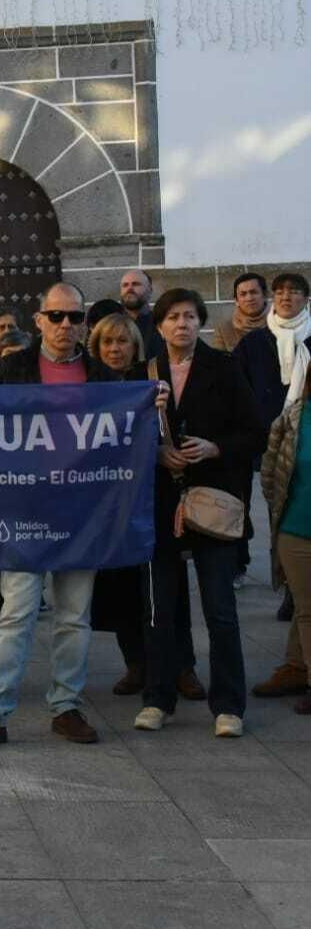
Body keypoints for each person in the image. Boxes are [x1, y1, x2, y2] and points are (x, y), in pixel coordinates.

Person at [0, 283, 133, 749]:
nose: (66, 325)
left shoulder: (102, 378)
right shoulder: (11, 369)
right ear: (39, 319)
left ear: (84, 322)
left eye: (74, 317)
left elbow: (125, 433)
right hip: (24, 510)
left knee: (73, 616)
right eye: (57, 315)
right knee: (17, 613)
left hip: (81, 513)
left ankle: (66, 707)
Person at [135, 289, 265, 737]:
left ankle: (228, 705)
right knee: (161, 611)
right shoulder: (144, 374)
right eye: (173, 317)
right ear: (160, 326)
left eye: (190, 316)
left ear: (201, 323)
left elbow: (255, 433)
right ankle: (158, 698)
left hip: (213, 502)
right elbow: (126, 436)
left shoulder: (225, 369)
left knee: (220, 609)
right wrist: (156, 453)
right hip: (161, 505)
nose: (182, 325)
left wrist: (216, 448)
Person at [86, 313, 155, 696]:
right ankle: (135, 664)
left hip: (146, 498)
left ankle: (179, 666)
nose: (115, 349)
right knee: (120, 591)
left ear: (134, 346)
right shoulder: (88, 386)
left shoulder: (148, 382)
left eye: (122, 342)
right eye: (107, 343)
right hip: (105, 505)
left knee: (157, 588)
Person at [235, 274, 311, 601]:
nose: (286, 297)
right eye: (279, 291)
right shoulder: (255, 342)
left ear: (306, 299)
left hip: (307, 438)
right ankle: (291, 592)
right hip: (272, 439)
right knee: (278, 513)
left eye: (294, 292)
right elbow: (236, 387)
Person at [256, 370, 311, 712]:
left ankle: (296, 665)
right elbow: (270, 471)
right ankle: (300, 672)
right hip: (296, 529)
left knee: (307, 606)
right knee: (307, 607)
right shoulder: (292, 418)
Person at [213, 272, 270, 352]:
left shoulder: (280, 323)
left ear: (265, 295)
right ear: (236, 301)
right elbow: (218, 362)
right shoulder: (224, 330)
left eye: (253, 292)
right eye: (243, 294)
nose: (249, 298)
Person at [119, 268, 158, 352]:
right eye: (125, 285)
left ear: (150, 290)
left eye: (136, 284)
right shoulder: (109, 325)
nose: (129, 288)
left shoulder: (161, 324)